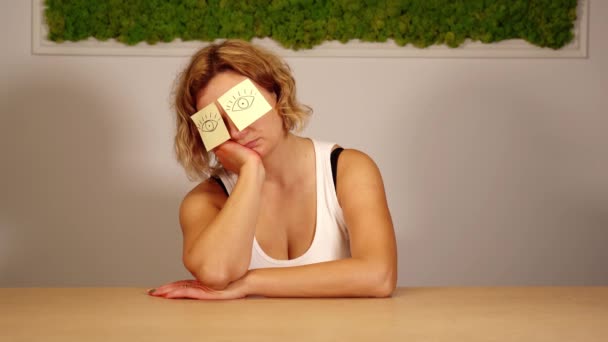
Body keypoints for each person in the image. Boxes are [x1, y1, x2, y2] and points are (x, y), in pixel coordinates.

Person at [148, 40, 397, 299]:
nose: (236, 131)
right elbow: (216, 273)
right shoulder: (203, 201)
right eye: (216, 123)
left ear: (276, 94)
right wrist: (251, 171)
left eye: (242, 106)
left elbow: (379, 276)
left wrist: (249, 283)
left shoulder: (348, 170)